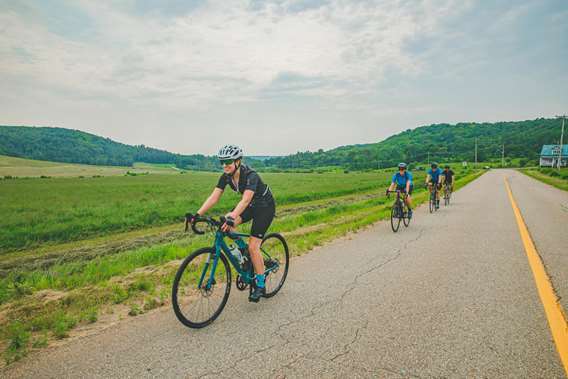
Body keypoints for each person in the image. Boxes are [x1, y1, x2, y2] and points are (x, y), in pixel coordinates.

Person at [190, 145, 275, 302]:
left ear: (237, 161)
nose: (224, 165)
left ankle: (260, 284)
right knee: (226, 225)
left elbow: (246, 199)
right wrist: (197, 215)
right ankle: (245, 254)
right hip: (250, 206)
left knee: (253, 245)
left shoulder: (251, 175)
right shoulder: (226, 176)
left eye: (228, 161)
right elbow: (214, 197)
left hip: (264, 207)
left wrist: (233, 215)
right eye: (222, 161)